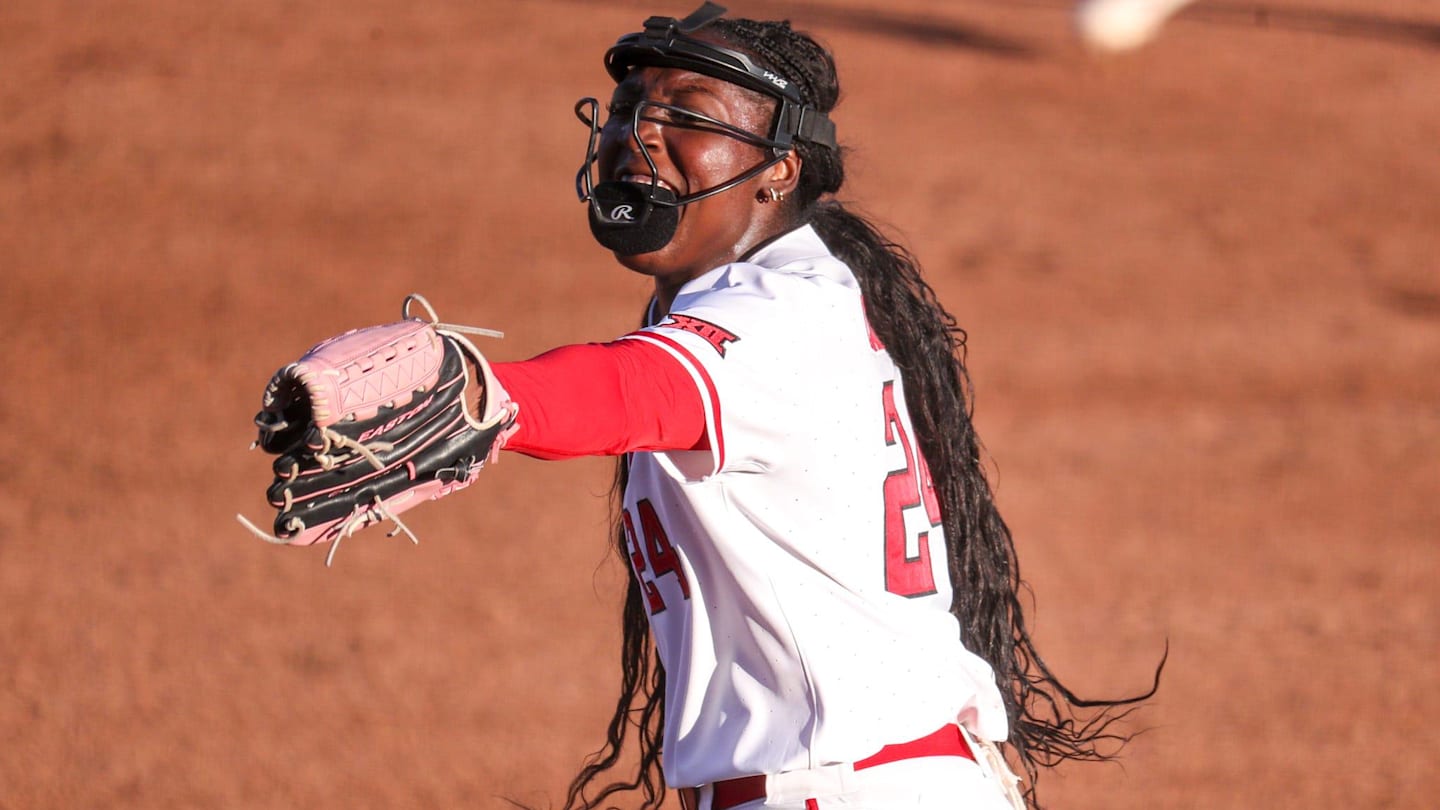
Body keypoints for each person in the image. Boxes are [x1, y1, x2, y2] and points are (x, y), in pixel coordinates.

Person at [486, 4, 1160, 808]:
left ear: (780, 168)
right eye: (629, 109)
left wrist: (470, 396)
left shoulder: (775, 314)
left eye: (690, 116)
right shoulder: (771, 297)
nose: (641, 135)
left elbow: (626, 393)